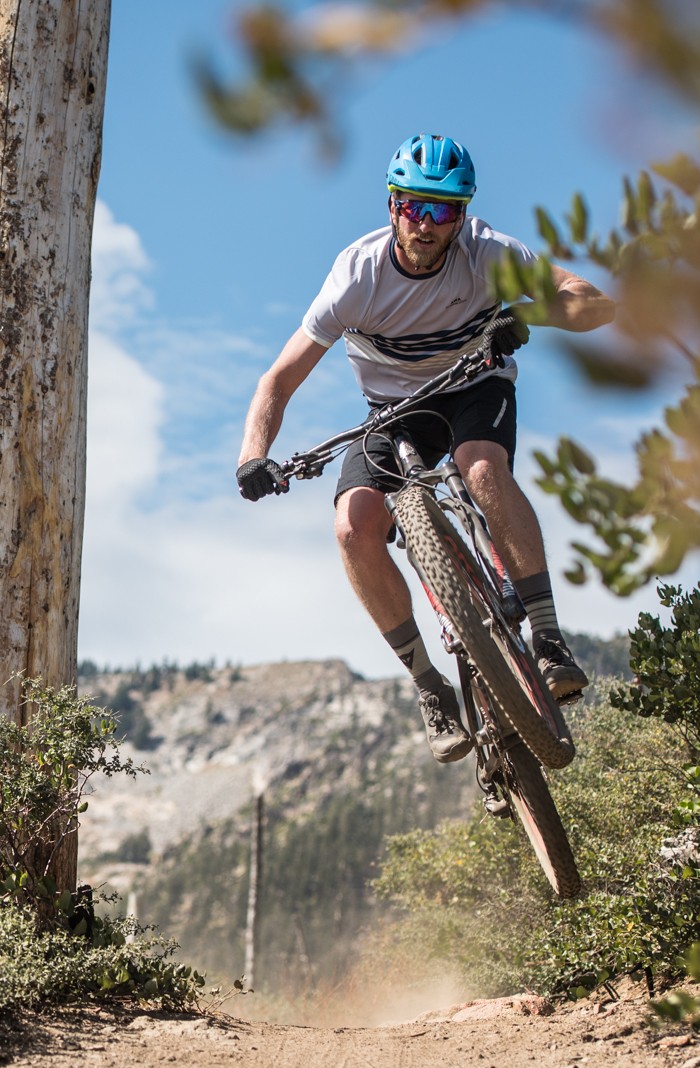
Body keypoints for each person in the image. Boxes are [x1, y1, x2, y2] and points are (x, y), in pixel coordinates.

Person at [233, 134, 614, 764]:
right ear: (392, 205)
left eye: (442, 210)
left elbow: (594, 302)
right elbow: (277, 379)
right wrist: (252, 457)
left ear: (461, 215)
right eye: (413, 206)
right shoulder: (357, 277)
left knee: (481, 466)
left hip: (475, 386)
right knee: (353, 527)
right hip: (394, 410)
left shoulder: (488, 255)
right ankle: (429, 685)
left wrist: (529, 315)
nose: (426, 224)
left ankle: (547, 638)